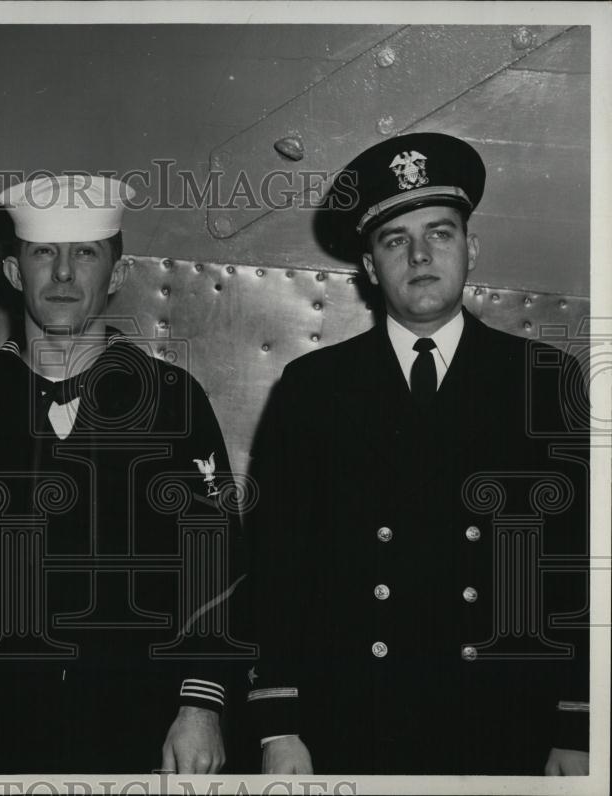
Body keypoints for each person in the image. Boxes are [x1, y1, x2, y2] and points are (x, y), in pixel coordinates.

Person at [246, 133, 590, 775]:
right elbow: (276, 565)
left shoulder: (545, 382)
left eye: (440, 233)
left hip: (507, 723)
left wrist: (579, 724)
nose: (421, 255)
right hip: (354, 720)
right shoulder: (314, 387)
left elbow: (578, 564)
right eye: (395, 240)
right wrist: (279, 726)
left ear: (471, 248)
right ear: (370, 266)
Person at [0, 174, 253, 774]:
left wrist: (201, 704)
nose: (62, 274)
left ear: (118, 273)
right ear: (13, 272)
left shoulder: (171, 401)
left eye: (85, 253)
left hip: (142, 730)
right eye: (43, 254)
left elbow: (216, 563)